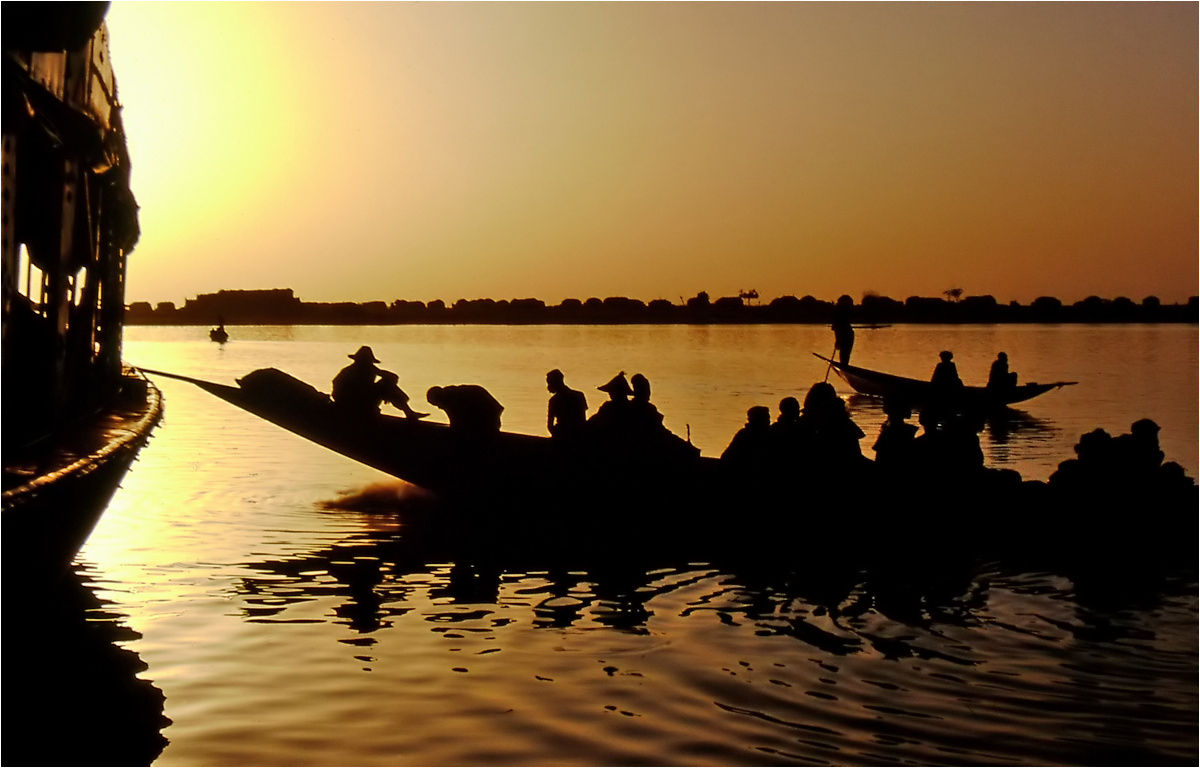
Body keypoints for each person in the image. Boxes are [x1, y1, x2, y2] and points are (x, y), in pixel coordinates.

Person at [332, 345, 427, 419]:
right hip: (353, 403)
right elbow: (338, 390)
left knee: (386, 384)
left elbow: (393, 377)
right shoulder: (349, 372)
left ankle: (409, 412)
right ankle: (409, 413)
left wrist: (385, 381)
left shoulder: (370, 369)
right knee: (386, 386)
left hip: (362, 401)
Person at [426, 384, 504, 434]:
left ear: (439, 398)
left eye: (437, 404)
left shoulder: (450, 399)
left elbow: (455, 422)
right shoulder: (451, 394)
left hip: (487, 422)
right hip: (490, 417)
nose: (439, 408)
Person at [546, 369, 588, 439]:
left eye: (549, 383)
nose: (548, 387)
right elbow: (583, 419)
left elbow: (550, 426)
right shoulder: (579, 395)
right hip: (579, 433)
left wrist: (557, 436)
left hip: (561, 434)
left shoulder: (554, 400)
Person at [831, 295, 855, 365]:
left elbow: (838, 328)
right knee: (844, 354)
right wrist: (838, 340)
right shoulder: (839, 313)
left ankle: (844, 365)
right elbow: (837, 328)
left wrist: (838, 340)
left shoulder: (841, 313)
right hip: (846, 334)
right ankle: (844, 365)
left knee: (845, 354)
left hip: (847, 334)